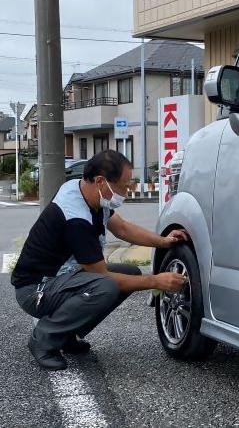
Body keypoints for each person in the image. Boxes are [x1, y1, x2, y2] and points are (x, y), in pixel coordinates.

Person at [11, 149, 188, 371]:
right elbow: (101, 275)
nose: (127, 190)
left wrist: (164, 241)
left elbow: (123, 229)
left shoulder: (86, 193)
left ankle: (65, 334)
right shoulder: (76, 219)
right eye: (124, 185)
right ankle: (44, 338)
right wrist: (156, 281)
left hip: (62, 279)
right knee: (105, 287)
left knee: (130, 273)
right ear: (101, 181)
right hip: (35, 290)